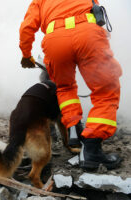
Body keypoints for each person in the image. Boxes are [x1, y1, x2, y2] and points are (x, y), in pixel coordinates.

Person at [19, 0, 122, 169]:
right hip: (88, 35)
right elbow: (96, 11)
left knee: (64, 88)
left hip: (55, 41)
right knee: (106, 91)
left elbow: (27, 27)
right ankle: (92, 149)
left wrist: (26, 54)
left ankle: (73, 128)